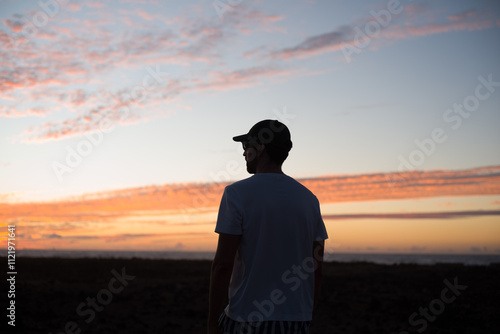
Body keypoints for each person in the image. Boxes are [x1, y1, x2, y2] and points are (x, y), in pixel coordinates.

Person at [207, 119, 329, 334]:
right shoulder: (310, 200)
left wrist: (211, 326)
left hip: (245, 319)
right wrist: (306, 315)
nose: (244, 153)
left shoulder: (236, 195)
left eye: (247, 146)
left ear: (260, 148)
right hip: (297, 321)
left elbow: (222, 266)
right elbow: (316, 267)